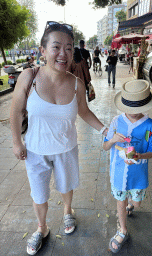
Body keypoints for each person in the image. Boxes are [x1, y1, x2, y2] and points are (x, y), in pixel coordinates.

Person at [10, 21, 108, 255]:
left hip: (66, 148)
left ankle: (67, 212)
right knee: (39, 194)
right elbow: (14, 110)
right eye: (56, 47)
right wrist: (16, 142)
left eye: (69, 48)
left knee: (66, 186)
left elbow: (84, 112)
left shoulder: (77, 84)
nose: (63, 53)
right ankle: (42, 228)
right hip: (35, 151)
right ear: (42, 50)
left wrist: (106, 130)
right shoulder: (28, 77)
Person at [103, 79, 152, 254]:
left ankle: (130, 204)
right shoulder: (116, 122)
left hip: (138, 175)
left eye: (138, 109)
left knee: (136, 204)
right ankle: (123, 229)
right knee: (120, 201)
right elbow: (105, 147)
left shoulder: (150, 126)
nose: (134, 113)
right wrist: (112, 139)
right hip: (118, 173)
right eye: (131, 109)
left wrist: (140, 156)